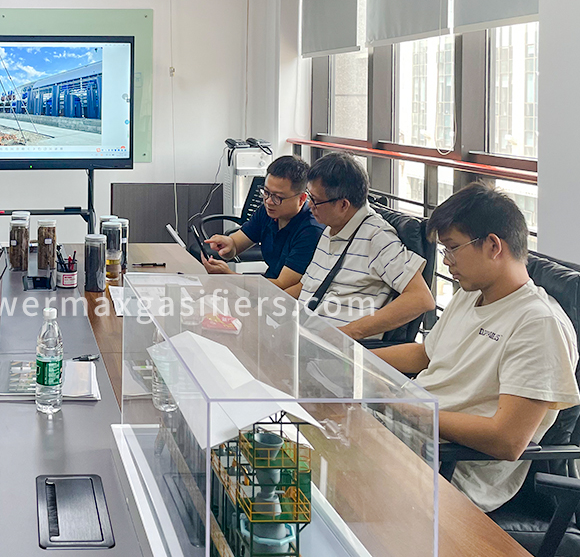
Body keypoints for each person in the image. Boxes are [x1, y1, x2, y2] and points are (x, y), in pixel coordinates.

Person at [374, 183, 580, 512]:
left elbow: (507, 439)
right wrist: (351, 356)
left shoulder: (538, 324)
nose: (446, 261)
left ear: (493, 246)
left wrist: (408, 410)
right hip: (405, 434)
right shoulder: (471, 293)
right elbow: (426, 355)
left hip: (449, 469)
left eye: (452, 248)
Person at [286, 152, 434, 340]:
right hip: (304, 336)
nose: (309, 205)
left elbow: (421, 299)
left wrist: (347, 334)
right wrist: (266, 302)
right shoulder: (331, 227)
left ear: (343, 205)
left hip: (337, 352)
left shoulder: (377, 237)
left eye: (315, 200)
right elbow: (307, 286)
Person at [202, 155, 323, 290]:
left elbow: (282, 286)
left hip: (286, 299)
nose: (269, 201)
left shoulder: (311, 230)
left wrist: (229, 275)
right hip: (266, 288)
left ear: (301, 199)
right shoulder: (268, 211)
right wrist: (227, 245)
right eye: (266, 192)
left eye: (278, 197)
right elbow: (235, 244)